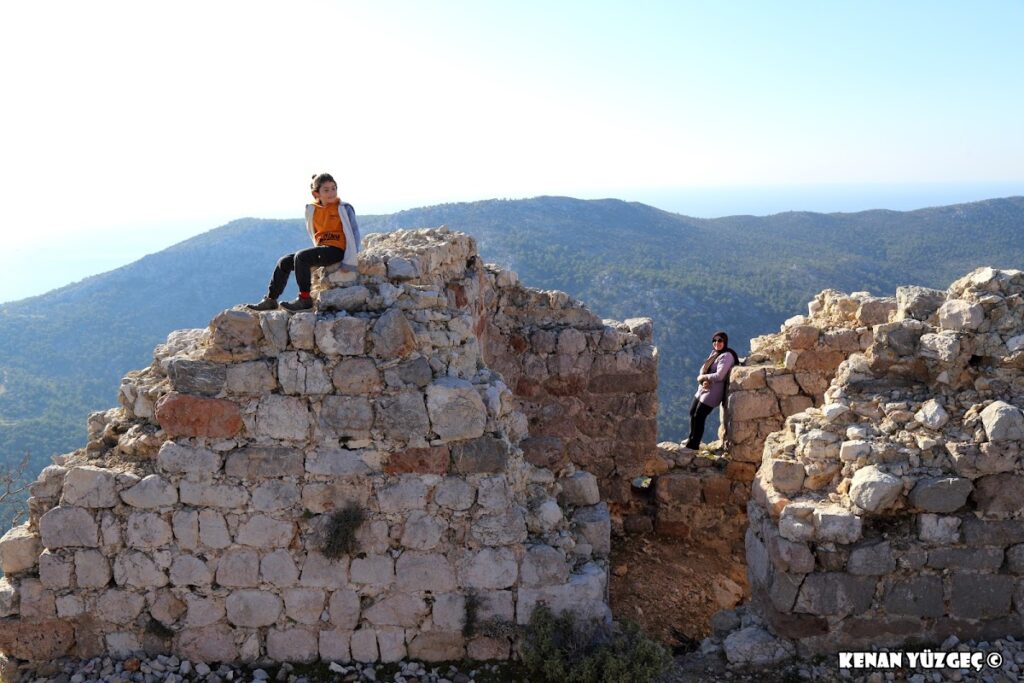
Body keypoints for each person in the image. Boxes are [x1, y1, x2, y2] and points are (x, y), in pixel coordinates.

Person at [247, 173, 360, 312]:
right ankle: (271, 300)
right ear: (316, 194)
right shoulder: (312, 209)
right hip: (323, 248)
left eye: (333, 188)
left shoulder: (343, 208)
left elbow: (354, 234)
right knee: (284, 262)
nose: (331, 193)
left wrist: (349, 262)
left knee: (301, 257)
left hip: (337, 250)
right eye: (326, 190)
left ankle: (305, 300)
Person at [683, 331, 739, 451]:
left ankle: (694, 445)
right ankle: (691, 439)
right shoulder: (714, 353)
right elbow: (703, 368)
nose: (717, 343)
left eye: (720, 340)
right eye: (714, 340)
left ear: (725, 342)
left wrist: (704, 377)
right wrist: (703, 379)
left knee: (699, 416)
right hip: (703, 388)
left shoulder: (727, 356)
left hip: (713, 391)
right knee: (693, 412)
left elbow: (720, 375)